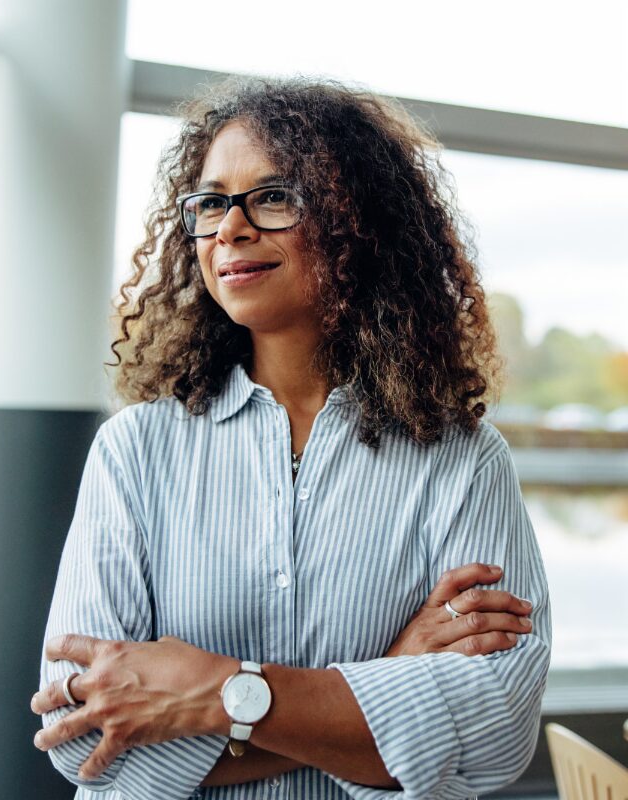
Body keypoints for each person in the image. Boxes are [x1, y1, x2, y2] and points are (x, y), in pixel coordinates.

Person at [29, 78, 551, 800]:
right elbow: (90, 741)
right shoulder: (135, 451)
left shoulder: (461, 458)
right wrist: (390, 682)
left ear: (357, 221)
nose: (231, 230)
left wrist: (216, 695)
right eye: (212, 203)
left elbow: (495, 734)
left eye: (273, 197)